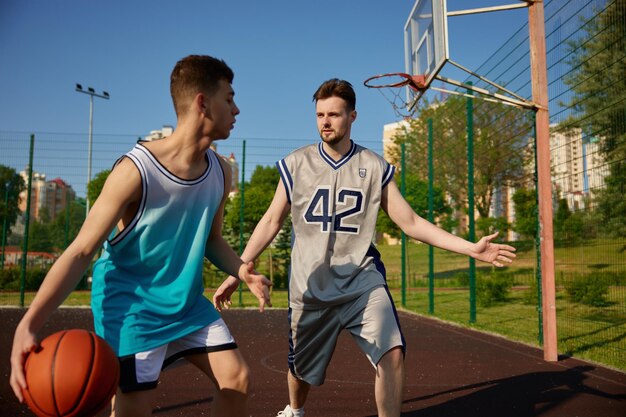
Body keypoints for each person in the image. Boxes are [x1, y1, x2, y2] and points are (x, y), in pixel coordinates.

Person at [212, 78, 517, 417]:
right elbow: (271, 221)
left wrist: (471, 249)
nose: (326, 122)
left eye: (335, 114)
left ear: (353, 116)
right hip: (311, 286)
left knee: (393, 352)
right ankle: (295, 411)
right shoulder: (296, 163)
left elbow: (411, 223)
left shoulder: (373, 166)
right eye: (320, 115)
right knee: (301, 371)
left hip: (362, 282)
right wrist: (238, 270)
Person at [10, 55, 272, 417]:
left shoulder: (220, 172)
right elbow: (82, 250)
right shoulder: (136, 170)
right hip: (133, 310)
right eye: (229, 98)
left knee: (237, 380)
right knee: (133, 408)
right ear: (202, 103)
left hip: (186, 306)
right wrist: (28, 325)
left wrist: (243, 271)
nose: (237, 108)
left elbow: (211, 240)